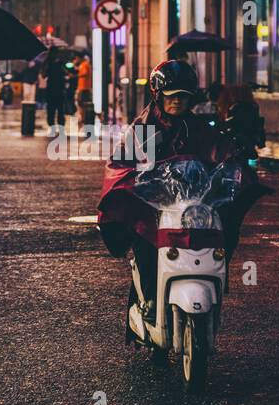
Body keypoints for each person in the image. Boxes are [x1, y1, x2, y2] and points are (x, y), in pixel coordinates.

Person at [98, 59, 263, 313]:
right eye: (171, 95)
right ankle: (150, 300)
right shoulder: (143, 129)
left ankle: (214, 282)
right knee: (145, 241)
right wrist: (135, 182)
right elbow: (121, 162)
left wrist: (234, 161)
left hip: (193, 205)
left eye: (183, 96)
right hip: (155, 209)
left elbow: (218, 150)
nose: (177, 101)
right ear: (158, 95)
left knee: (222, 231)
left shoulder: (197, 127)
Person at [45, 56, 67, 131]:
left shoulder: (49, 66)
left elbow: (43, 75)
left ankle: (52, 126)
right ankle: (61, 126)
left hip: (51, 92)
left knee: (51, 110)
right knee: (60, 110)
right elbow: (66, 75)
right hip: (60, 92)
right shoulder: (61, 67)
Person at [76, 53, 93, 131]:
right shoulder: (86, 64)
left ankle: (83, 120)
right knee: (83, 105)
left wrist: (77, 75)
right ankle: (83, 119)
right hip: (85, 87)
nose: (76, 60)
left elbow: (85, 73)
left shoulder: (84, 64)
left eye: (77, 58)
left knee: (82, 105)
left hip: (84, 88)